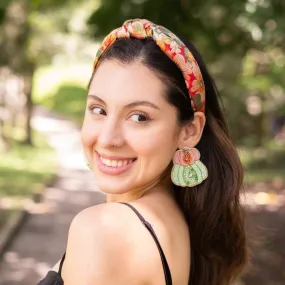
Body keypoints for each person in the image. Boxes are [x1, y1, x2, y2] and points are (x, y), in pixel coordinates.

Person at [37, 19, 248, 285]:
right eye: (99, 110)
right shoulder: (178, 221)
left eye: (139, 117)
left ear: (189, 131)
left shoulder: (105, 230)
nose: (107, 138)